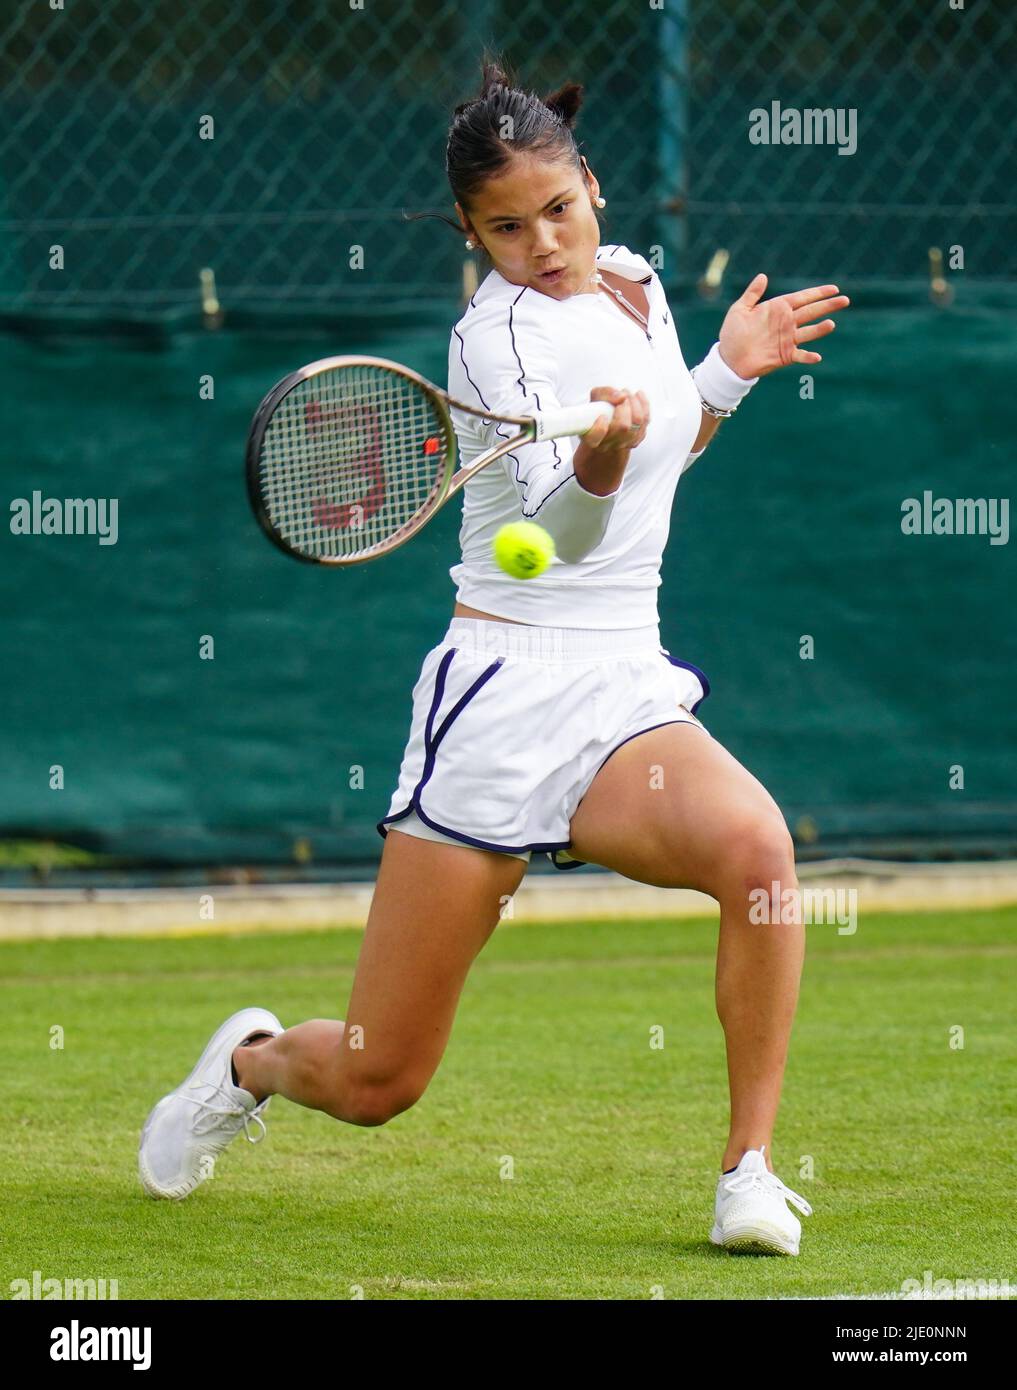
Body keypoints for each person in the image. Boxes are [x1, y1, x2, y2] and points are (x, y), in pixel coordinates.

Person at [139, 61, 848, 1258]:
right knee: (380, 1079)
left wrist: (721, 371)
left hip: (626, 682)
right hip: (503, 690)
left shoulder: (634, 284)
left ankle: (749, 1176)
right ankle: (252, 1063)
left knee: (759, 851)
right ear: (470, 233)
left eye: (557, 210)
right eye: (506, 227)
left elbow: (666, 456)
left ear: (594, 190)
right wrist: (605, 460)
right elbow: (551, 535)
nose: (544, 243)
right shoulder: (493, 341)